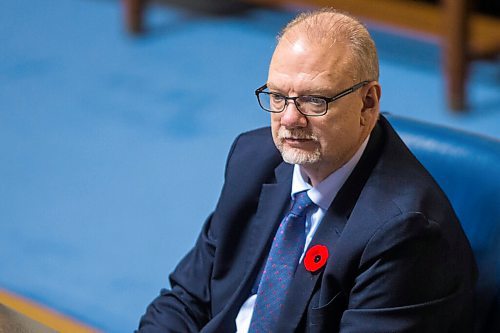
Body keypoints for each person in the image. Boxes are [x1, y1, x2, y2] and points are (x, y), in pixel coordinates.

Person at [137, 8, 477, 333]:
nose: (289, 119)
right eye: (278, 96)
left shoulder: (405, 233)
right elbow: (186, 300)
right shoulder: (252, 160)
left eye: (315, 100)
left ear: (368, 103)